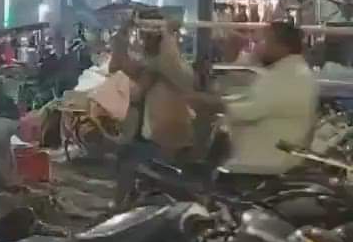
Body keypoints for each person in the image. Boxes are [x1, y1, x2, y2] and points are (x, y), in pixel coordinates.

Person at [187, 20, 318, 176]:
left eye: (263, 41)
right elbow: (250, 95)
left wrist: (211, 104)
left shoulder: (292, 76)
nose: (257, 48)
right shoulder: (283, 71)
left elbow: (250, 110)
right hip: (257, 161)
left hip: (263, 166)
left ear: (282, 47)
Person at [109, 15, 197, 207]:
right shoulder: (153, 67)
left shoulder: (173, 67)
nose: (144, 41)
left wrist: (167, 33)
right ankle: (122, 207)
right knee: (126, 163)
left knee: (143, 176)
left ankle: (124, 209)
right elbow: (117, 65)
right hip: (150, 137)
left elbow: (164, 65)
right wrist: (122, 35)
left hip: (166, 140)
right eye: (144, 36)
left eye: (149, 37)